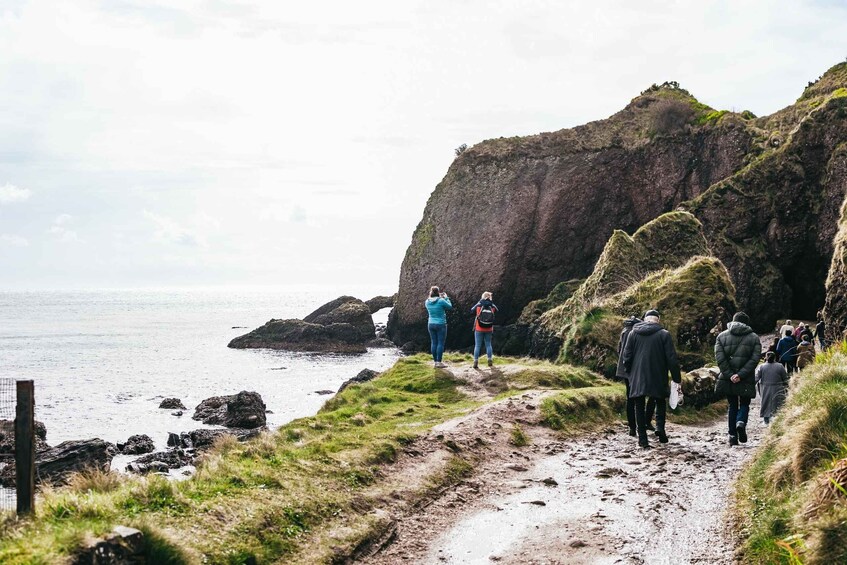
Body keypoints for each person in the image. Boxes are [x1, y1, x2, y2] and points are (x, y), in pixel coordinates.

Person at [622, 309, 682, 448]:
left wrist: (630, 373)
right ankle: (660, 428)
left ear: (645, 320)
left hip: (638, 374)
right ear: (658, 320)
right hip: (658, 373)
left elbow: (626, 356)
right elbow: (671, 359)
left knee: (639, 405)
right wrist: (676, 378)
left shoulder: (633, 333)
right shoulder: (664, 334)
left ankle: (642, 440)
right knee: (660, 401)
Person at [715, 311, 761, 446]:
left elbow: (720, 359)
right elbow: (755, 359)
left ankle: (732, 436)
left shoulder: (721, 336)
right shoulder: (754, 337)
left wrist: (730, 375)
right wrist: (741, 375)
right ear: (746, 323)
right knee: (745, 404)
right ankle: (741, 422)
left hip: (728, 378)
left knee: (732, 405)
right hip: (745, 378)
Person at [616, 316, 641, 437]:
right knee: (639, 397)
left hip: (624, 368)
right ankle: (641, 425)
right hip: (636, 368)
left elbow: (619, 349)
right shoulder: (637, 332)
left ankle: (632, 427)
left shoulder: (624, 331)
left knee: (629, 397)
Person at [756, 352, 789, 425]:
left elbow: (757, 378)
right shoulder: (780, 366)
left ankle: (766, 420)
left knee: (765, 403)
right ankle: (778, 419)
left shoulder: (762, 366)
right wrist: (787, 386)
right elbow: (785, 378)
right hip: (778, 387)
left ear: (766, 357)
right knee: (778, 403)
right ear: (775, 357)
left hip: (765, 388)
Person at [425, 286, 452, 368]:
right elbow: (450, 307)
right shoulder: (441, 301)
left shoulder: (427, 302)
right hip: (441, 324)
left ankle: (435, 362)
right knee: (440, 343)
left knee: (433, 342)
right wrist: (446, 298)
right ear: (438, 292)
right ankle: (438, 362)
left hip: (430, 324)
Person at [470, 292, 498, 369]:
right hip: (489, 328)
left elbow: (471, 310)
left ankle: (475, 361)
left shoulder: (479, 305)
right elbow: (497, 310)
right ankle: (489, 359)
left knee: (477, 345)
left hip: (479, 328)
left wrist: (479, 303)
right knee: (488, 344)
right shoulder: (492, 306)